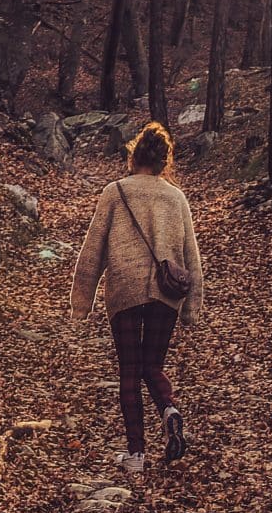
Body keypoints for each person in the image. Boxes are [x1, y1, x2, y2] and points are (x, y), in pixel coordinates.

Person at [70, 121, 204, 473]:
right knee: (153, 365)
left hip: (125, 290)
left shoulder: (116, 192)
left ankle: (136, 454)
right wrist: (192, 306)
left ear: (134, 156)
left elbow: (93, 247)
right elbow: (192, 255)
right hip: (166, 293)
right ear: (164, 162)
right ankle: (170, 410)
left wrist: (81, 300)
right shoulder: (176, 198)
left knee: (130, 370)